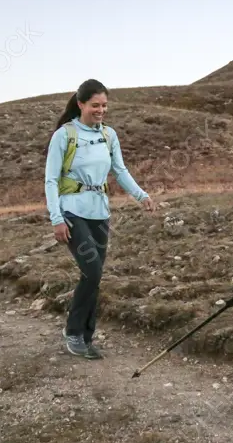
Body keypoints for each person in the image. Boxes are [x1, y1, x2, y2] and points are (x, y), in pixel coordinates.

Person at [45, 79, 157, 359]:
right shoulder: (65, 135)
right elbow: (50, 179)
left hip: (100, 213)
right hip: (72, 211)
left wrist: (141, 195)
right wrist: (56, 217)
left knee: (93, 277)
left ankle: (85, 336)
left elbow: (120, 171)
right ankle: (73, 332)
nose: (101, 110)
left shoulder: (109, 135)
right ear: (81, 104)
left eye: (104, 105)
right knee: (92, 271)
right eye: (95, 105)